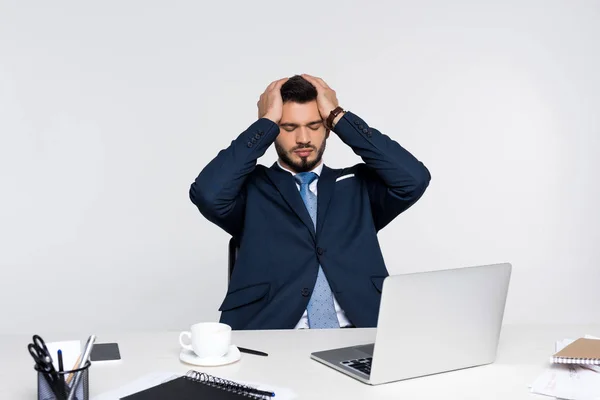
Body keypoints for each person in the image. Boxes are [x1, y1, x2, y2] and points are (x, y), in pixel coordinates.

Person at [189, 74, 431, 330]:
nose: (303, 138)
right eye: (289, 127)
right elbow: (208, 193)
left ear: (327, 128)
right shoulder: (251, 190)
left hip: (362, 334)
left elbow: (413, 179)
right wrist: (265, 123)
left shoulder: (357, 186)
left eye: (314, 126)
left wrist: (340, 117)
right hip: (273, 338)